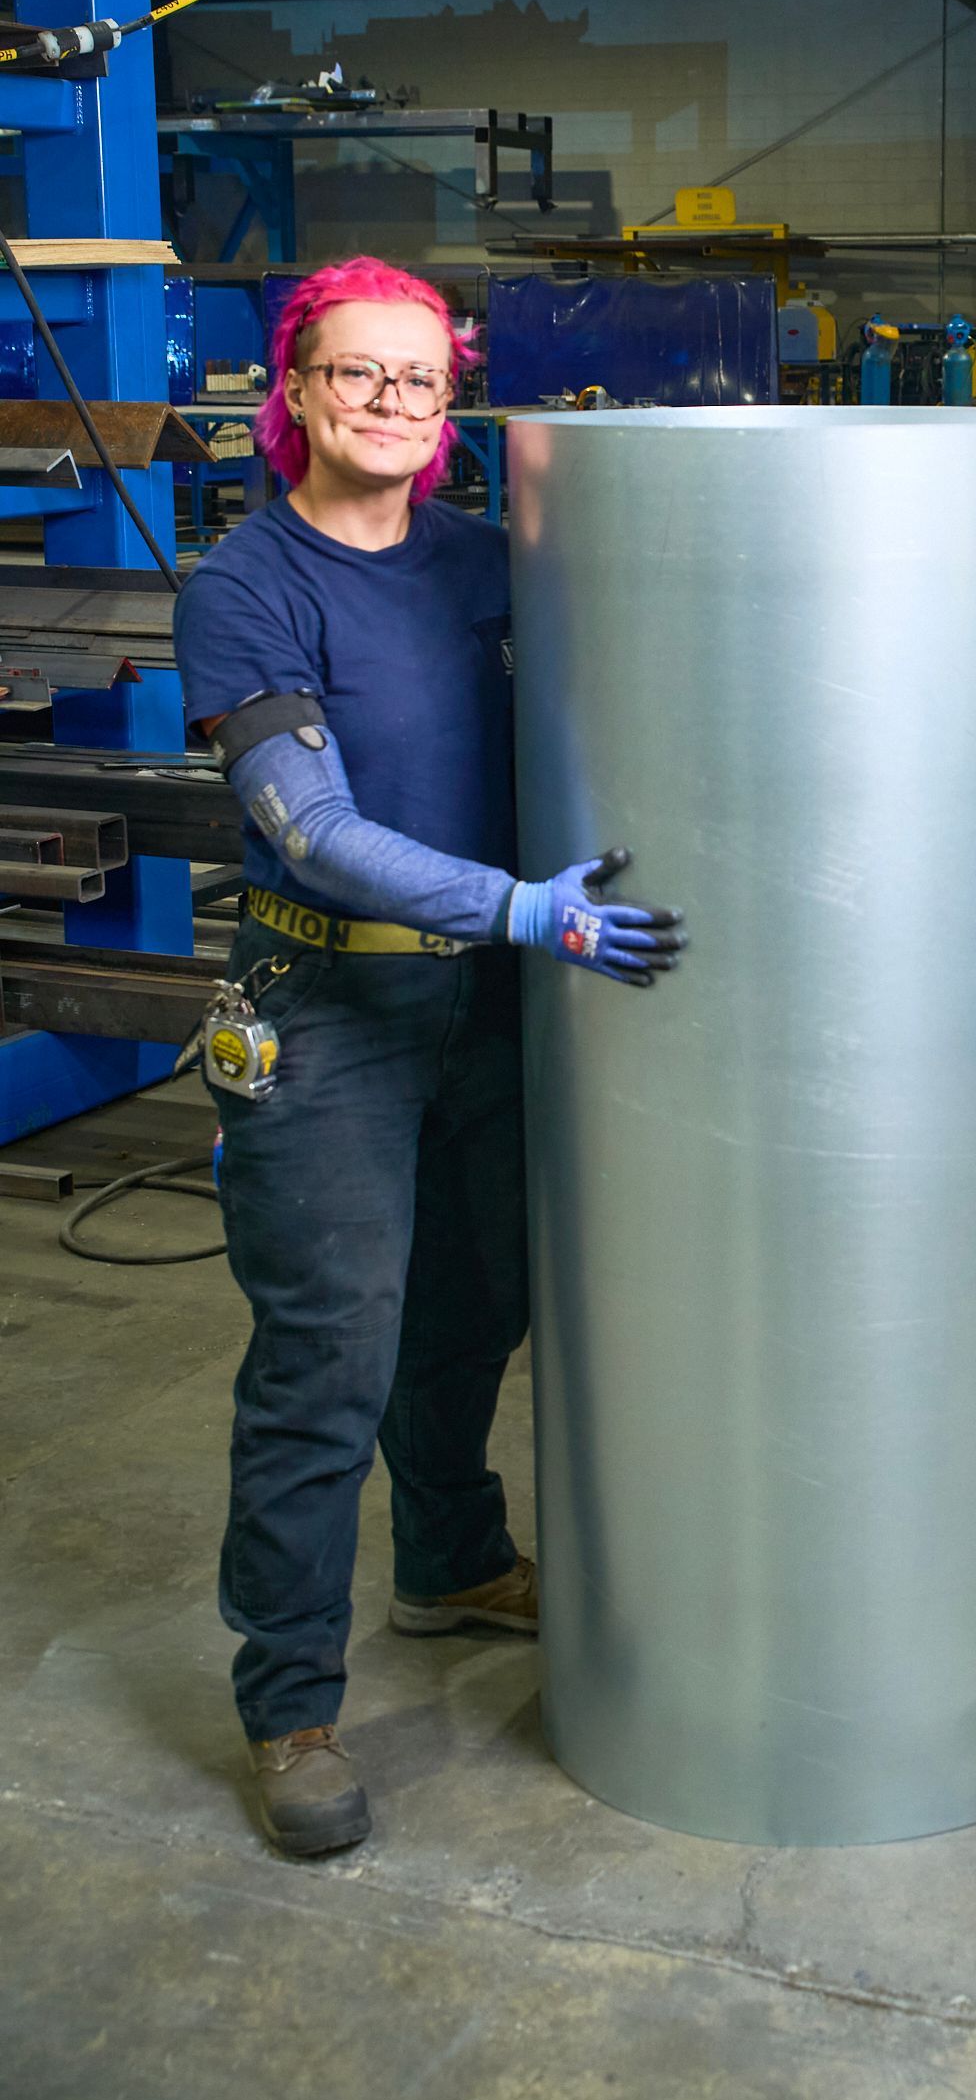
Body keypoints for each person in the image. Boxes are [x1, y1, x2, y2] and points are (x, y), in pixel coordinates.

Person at [174, 256, 686, 1861]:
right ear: (296, 394)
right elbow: (309, 832)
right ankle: (291, 1704)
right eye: (359, 375)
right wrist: (523, 907)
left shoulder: (485, 561)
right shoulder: (247, 587)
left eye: (422, 380)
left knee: (479, 1309)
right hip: (329, 1017)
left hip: (491, 1005)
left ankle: (451, 1561)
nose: (394, 405)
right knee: (327, 1364)